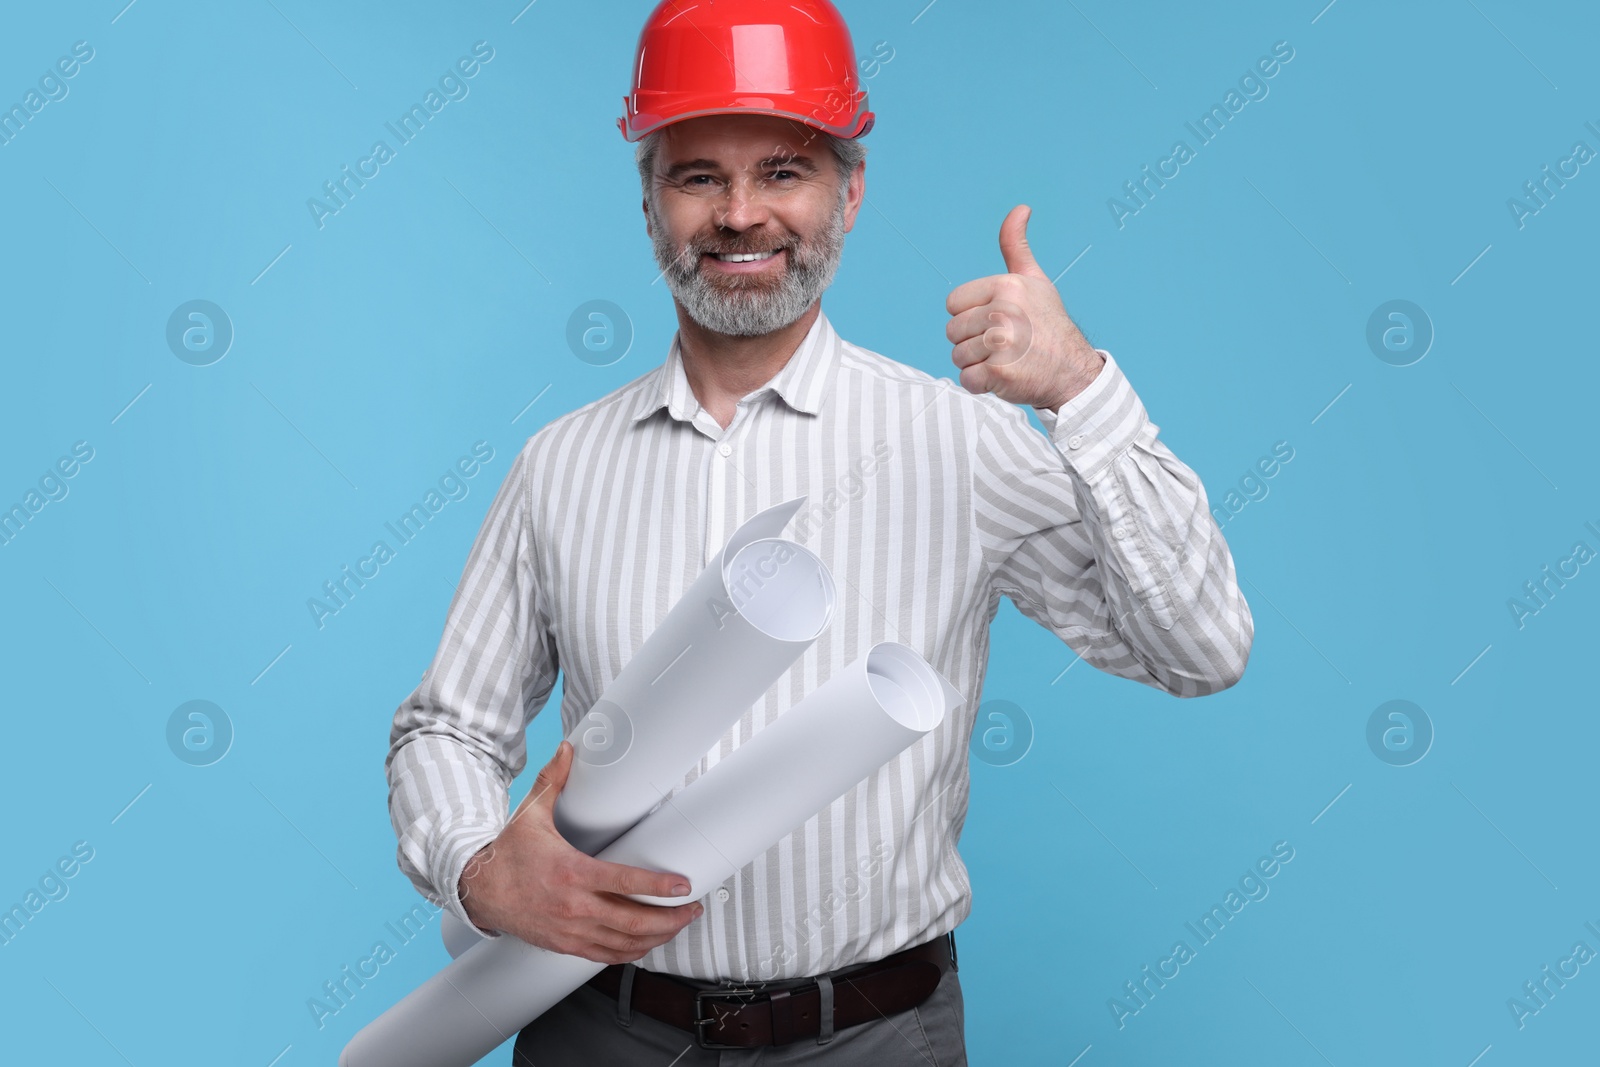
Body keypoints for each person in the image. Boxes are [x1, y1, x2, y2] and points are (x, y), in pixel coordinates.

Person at [384, 1, 1253, 1062]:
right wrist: (478, 868)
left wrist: (1080, 388)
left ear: (851, 192)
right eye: (699, 175)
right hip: (602, 1028)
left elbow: (1200, 649)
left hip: (875, 1034)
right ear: (650, 202)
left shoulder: (957, 440)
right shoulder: (558, 465)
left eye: (783, 172)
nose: (741, 214)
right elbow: (449, 728)